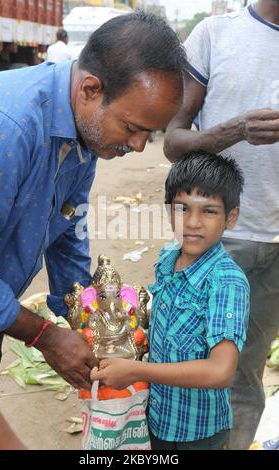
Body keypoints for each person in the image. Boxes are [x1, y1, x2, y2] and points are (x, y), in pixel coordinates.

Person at [0, 11, 186, 399]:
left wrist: (89, 318)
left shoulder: (84, 136)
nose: (140, 146)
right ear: (90, 90)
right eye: (132, 128)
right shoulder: (8, 129)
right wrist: (44, 336)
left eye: (150, 132)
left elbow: (66, 232)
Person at [163, 0, 279, 450]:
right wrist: (235, 131)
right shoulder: (215, 34)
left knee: (245, 374)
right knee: (190, 368)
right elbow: (173, 139)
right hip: (217, 239)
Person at [91, 151, 250, 451]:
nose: (192, 222)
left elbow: (220, 371)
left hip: (198, 433)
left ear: (231, 217)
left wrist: (136, 372)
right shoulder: (168, 258)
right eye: (182, 209)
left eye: (209, 211)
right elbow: (161, 314)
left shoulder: (226, 281)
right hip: (158, 416)